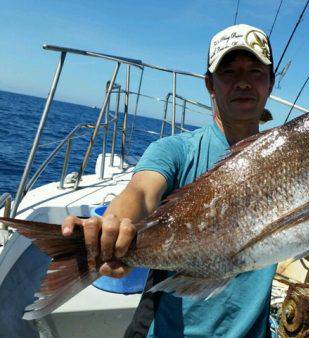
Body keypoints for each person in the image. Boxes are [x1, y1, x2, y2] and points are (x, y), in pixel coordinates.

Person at [62, 23, 276, 337]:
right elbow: (141, 192)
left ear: (271, 82)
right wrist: (115, 227)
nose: (243, 82)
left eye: (255, 71)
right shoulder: (175, 150)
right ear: (210, 84)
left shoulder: (285, 158)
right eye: (229, 72)